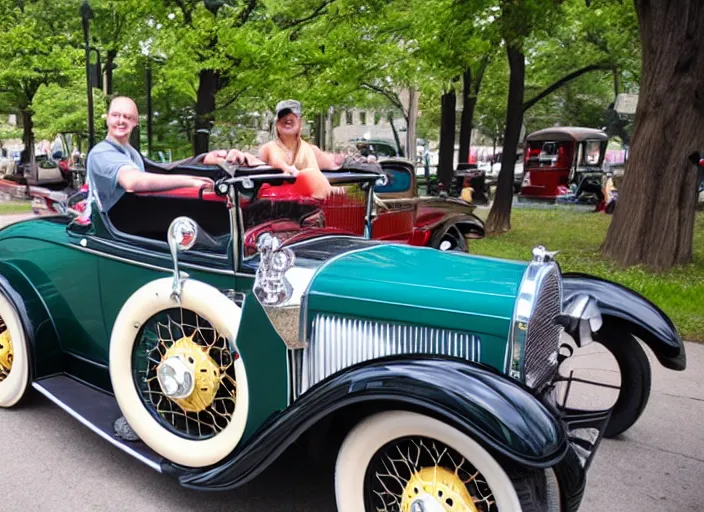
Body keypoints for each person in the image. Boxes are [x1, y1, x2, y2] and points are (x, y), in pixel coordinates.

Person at [87, 96, 260, 212]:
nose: (120, 121)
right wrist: (190, 181)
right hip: (116, 226)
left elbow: (160, 169)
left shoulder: (130, 152)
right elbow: (133, 181)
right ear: (108, 118)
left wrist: (205, 159)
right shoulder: (101, 153)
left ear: (135, 122)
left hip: (135, 218)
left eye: (127, 117)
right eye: (116, 115)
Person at [258, 100, 338, 199]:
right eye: (283, 117)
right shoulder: (268, 148)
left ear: (300, 122)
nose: (287, 120)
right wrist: (287, 168)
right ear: (277, 123)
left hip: (307, 207)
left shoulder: (310, 149)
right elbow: (276, 159)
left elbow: (321, 170)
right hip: (274, 207)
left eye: (292, 117)